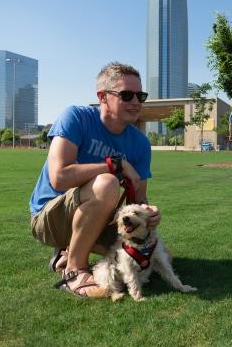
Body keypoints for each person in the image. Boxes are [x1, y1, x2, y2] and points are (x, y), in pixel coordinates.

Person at [29, 62, 161, 297]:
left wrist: (148, 212)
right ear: (102, 97)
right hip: (49, 218)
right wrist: (115, 165)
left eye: (140, 96)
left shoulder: (140, 143)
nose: (136, 102)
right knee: (107, 183)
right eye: (127, 95)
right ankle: (74, 269)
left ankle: (67, 252)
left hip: (96, 218)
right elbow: (58, 177)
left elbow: (139, 197)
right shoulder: (76, 117)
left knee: (154, 257)